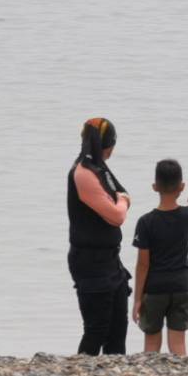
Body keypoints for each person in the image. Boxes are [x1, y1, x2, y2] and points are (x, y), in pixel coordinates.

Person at [68, 118, 132, 356]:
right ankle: (82, 375)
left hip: (110, 260)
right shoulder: (84, 173)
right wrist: (124, 200)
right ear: (110, 144)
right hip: (90, 262)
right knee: (96, 329)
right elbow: (116, 216)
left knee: (117, 328)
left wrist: (121, 201)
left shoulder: (97, 167)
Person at [132, 159, 188, 356]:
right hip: (181, 285)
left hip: (155, 289)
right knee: (178, 345)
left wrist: (137, 299)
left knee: (152, 344)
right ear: (182, 186)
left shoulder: (145, 223)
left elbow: (143, 265)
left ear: (155, 187)